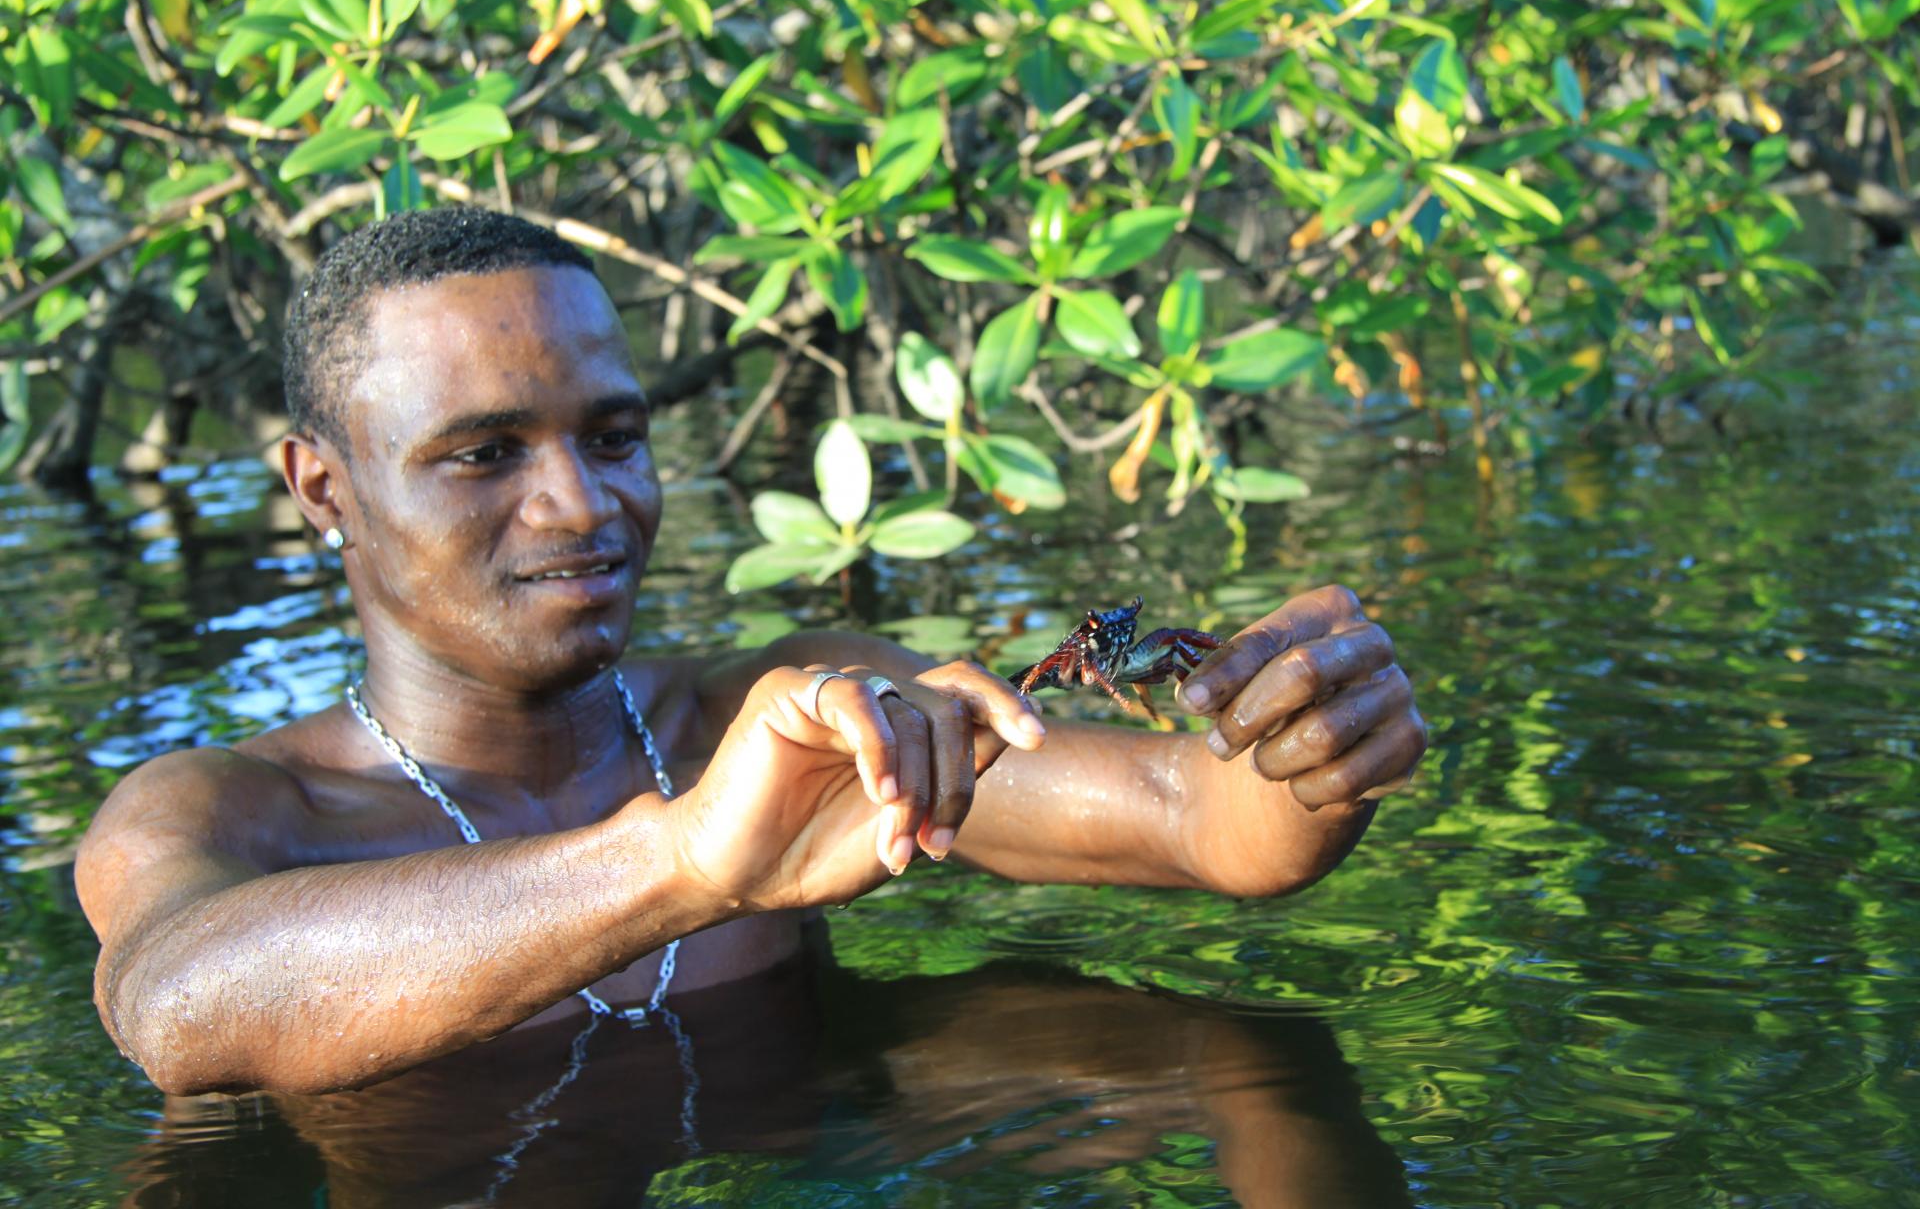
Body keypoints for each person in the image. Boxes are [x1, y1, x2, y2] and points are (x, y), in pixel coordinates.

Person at [75, 208, 1427, 1103]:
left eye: (610, 437)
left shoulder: (786, 717)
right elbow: (177, 1007)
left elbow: (1206, 826)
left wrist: (1312, 744)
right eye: (485, 453)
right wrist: (686, 861)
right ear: (324, 490)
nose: (583, 505)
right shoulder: (228, 812)